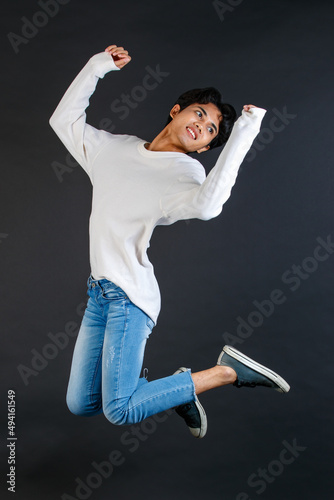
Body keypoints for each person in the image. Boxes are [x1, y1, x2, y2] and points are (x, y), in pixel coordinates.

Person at [49, 44, 290, 440]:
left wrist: (245, 130)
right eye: (200, 114)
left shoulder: (186, 175)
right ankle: (179, 391)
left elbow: (210, 205)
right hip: (99, 296)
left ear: (204, 149)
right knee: (81, 403)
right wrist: (97, 67)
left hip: (131, 299)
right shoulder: (114, 148)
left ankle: (225, 371)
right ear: (177, 110)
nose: (202, 127)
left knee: (120, 410)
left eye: (211, 131)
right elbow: (64, 120)